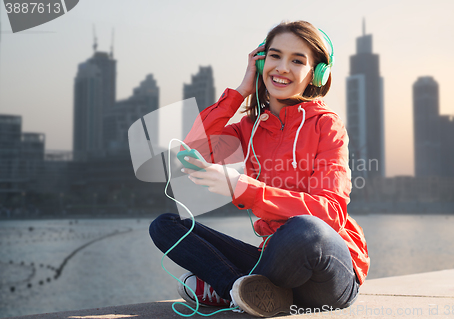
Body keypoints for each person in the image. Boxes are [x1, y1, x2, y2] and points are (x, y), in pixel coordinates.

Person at [149, 20, 369, 317]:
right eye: (275, 56)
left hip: (326, 270)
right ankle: (240, 290)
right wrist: (241, 90)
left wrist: (242, 188)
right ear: (261, 61)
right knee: (166, 226)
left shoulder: (326, 125)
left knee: (306, 229)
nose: (282, 68)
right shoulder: (249, 130)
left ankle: (226, 289)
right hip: (274, 262)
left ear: (317, 73)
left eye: (297, 61)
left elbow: (329, 213)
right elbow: (194, 150)